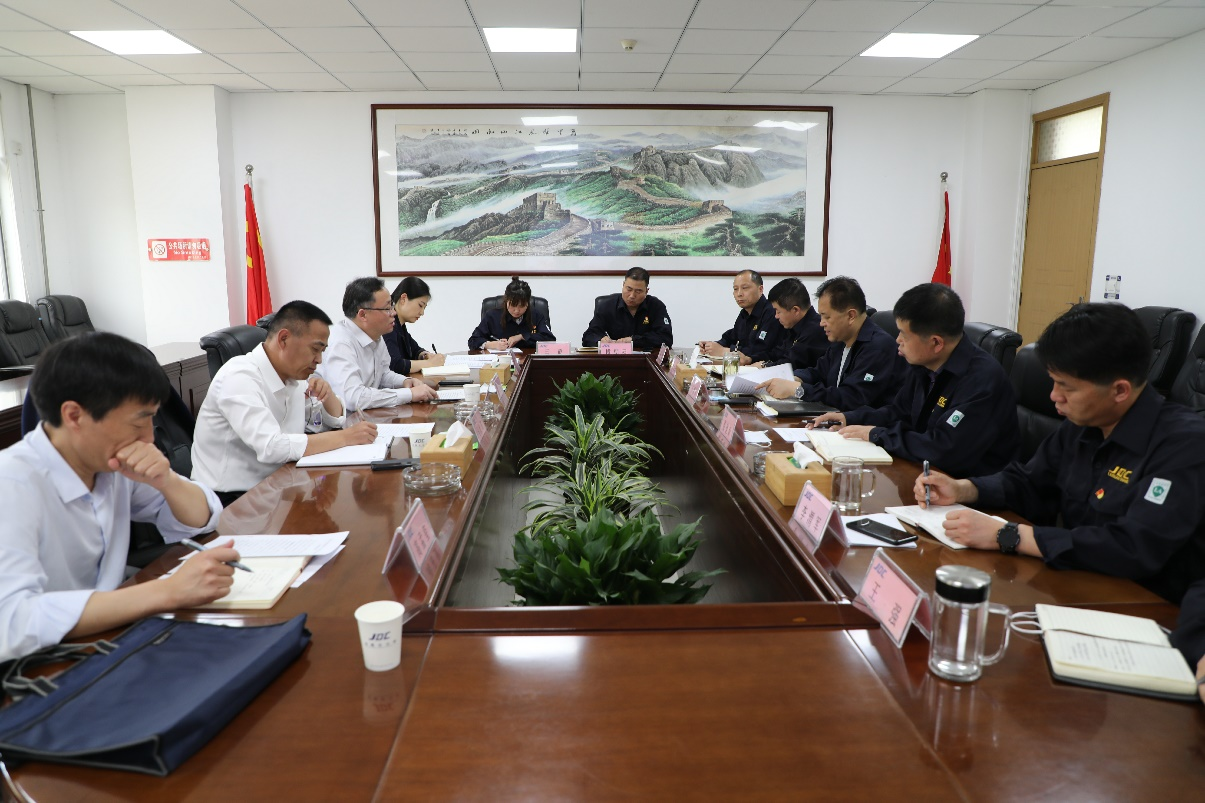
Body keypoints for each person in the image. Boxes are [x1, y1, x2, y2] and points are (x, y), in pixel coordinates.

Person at [915, 303, 1205, 607]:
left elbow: (1133, 547)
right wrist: (963, 488)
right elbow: (1029, 483)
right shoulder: (1084, 425)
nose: (1054, 396)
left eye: (1066, 387)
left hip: (1149, 608)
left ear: (1120, 390)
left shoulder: (1185, 444)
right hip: (1078, 585)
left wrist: (1007, 535)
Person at [0, 333, 237, 662]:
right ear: (74, 416)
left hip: (108, 639)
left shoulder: (109, 464)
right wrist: (167, 591)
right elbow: (12, 621)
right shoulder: (12, 484)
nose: (150, 437)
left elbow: (201, 519)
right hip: (41, 666)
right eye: (139, 422)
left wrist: (166, 481)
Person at [812, 282, 1019, 478]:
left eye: (904, 334)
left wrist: (877, 434)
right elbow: (898, 412)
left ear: (936, 343)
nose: (897, 340)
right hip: (924, 473)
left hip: (968, 490)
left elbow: (943, 449)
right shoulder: (925, 364)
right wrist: (850, 418)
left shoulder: (982, 380)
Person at [191, 300, 378, 506]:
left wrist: (329, 396)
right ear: (284, 339)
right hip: (231, 501)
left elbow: (327, 422)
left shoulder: (293, 377)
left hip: (278, 486)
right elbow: (272, 447)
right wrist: (346, 437)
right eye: (315, 349)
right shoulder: (238, 377)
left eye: (322, 351)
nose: (319, 360)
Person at [755, 276, 903, 409]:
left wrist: (798, 390)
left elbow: (852, 398)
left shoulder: (878, 347)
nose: (821, 323)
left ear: (851, 316)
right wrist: (794, 378)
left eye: (827, 317)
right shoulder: (840, 341)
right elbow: (818, 371)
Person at [319, 277, 440, 411]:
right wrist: (409, 394)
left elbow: (382, 374)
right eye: (387, 308)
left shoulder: (376, 336)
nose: (393, 312)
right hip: (348, 420)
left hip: (367, 416)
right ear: (363, 315)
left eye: (392, 306)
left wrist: (405, 382)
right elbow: (354, 398)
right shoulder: (341, 343)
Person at [698, 269, 782, 365]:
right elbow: (731, 337)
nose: (739, 294)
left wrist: (724, 351)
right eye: (735, 289)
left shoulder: (772, 312)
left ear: (760, 289)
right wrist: (712, 346)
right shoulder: (744, 313)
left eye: (745, 288)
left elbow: (760, 350)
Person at [582, 267, 673, 351]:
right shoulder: (607, 305)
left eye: (638, 291)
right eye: (629, 289)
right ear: (623, 285)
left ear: (646, 291)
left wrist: (634, 341)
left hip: (646, 360)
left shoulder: (656, 306)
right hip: (615, 358)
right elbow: (588, 336)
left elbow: (666, 338)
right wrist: (600, 339)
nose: (632, 296)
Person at [468, 276, 556, 350]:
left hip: (528, 361)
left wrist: (522, 336)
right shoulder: (492, 316)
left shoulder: (536, 315)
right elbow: (473, 340)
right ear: (506, 301)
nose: (517, 310)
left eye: (522, 306)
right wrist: (493, 345)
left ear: (528, 303)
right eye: (513, 305)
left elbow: (550, 339)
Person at [762, 278, 828, 371]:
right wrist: (752, 359)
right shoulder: (794, 326)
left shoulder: (815, 330)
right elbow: (778, 353)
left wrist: (764, 366)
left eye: (778, 311)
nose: (776, 316)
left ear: (795, 310)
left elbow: (790, 364)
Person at [384, 277, 445, 374]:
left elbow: (415, 350)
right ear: (403, 298)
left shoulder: (400, 325)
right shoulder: (388, 324)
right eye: (420, 305)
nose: (422, 313)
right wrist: (430, 363)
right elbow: (395, 364)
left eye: (424, 308)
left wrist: (425, 355)